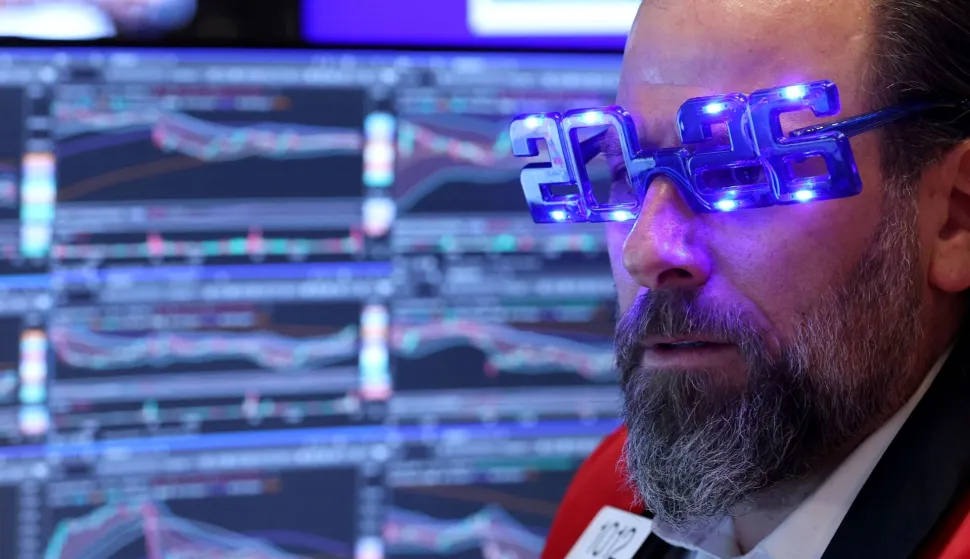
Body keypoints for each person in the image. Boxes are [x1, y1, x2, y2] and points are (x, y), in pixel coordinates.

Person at [523, 0, 970, 557]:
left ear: (954, 216)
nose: (646, 250)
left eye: (741, 170)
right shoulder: (607, 500)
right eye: (623, 173)